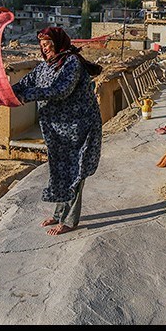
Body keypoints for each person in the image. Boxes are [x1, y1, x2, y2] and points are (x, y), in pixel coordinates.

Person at [11, 27, 103, 235]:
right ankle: (59, 212)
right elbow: (24, 83)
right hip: (57, 131)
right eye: (42, 46)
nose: (45, 50)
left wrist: (29, 95)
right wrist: (2, 93)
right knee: (59, 171)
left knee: (74, 172)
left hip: (79, 128)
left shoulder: (71, 63)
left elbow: (61, 90)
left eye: (48, 45)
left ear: (58, 44)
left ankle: (69, 220)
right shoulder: (44, 67)